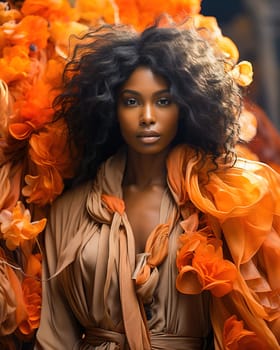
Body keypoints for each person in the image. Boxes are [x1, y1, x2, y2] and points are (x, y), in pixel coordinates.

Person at [35, 19, 280, 350]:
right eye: (132, 101)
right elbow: (54, 336)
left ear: (185, 108)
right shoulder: (70, 211)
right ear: (110, 107)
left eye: (163, 101)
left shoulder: (213, 203)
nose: (147, 115)